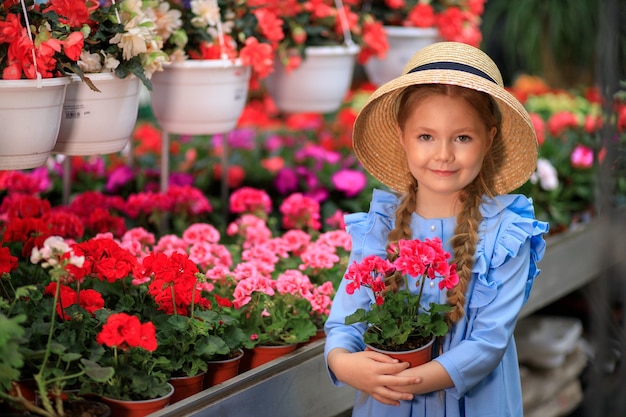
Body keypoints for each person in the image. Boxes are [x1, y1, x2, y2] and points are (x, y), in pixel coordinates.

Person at [324, 42, 549, 416]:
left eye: (462, 137)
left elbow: (489, 343)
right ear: (402, 137)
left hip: (474, 403)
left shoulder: (507, 234)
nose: (443, 154)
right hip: (390, 404)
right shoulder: (382, 226)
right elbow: (345, 318)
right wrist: (343, 363)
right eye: (426, 136)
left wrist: (406, 381)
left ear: (489, 139)